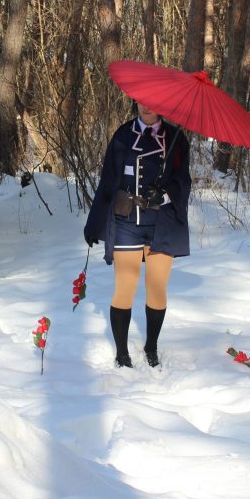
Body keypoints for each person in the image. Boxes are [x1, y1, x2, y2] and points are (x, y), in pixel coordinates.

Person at [83, 102, 191, 368]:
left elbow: (183, 181)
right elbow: (108, 181)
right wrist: (94, 223)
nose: (147, 107)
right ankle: (122, 353)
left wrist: (165, 195)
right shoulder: (123, 135)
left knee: (157, 289)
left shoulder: (176, 139)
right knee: (125, 288)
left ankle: (151, 347)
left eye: (154, 103)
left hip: (161, 222)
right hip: (126, 222)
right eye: (142, 101)